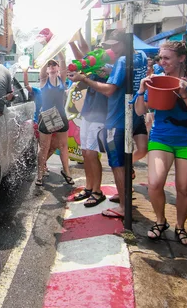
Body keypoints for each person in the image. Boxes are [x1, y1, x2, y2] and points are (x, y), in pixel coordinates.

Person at [69, 30, 147, 218]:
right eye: (106, 46)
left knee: (117, 163)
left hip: (114, 117)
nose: (109, 49)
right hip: (130, 113)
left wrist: (85, 79)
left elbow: (110, 89)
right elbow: (85, 59)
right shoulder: (140, 57)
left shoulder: (119, 61)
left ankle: (120, 204)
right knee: (92, 153)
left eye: (113, 45)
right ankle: (118, 193)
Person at [135, 41, 187, 245]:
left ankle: (180, 226)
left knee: (184, 188)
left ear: (181, 58)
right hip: (161, 136)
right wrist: (141, 90)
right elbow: (141, 111)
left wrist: (184, 93)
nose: (161, 62)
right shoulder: (157, 79)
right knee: (155, 183)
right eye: (160, 57)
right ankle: (160, 221)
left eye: (166, 58)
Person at [68, 32, 109, 207]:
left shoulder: (106, 68)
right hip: (87, 114)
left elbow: (85, 54)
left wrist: (78, 38)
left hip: (100, 116)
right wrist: (71, 39)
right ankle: (89, 187)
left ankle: (98, 191)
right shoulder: (90, 69)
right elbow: (83, 56)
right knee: (85, 154)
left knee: (92, 154)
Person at [35, 52, 72, 187]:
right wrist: (48, 53)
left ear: (57, 68)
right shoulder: (44, 80)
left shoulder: (62, 79)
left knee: (63, 146)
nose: (51, 66)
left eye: (53, 64)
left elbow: (62, 61)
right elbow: (43, 68)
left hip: (61, 115)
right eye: (49, 64)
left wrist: (58, 49)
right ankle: (39, 174)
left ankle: (67, 172)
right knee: (44, 147)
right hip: (48, 115)